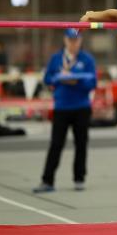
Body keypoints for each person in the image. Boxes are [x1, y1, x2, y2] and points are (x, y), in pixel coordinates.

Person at [33, 29, 97, 193]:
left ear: (80, 41)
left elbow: (92, 83)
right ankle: (47, 180)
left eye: (76, 40)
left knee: (81, 144)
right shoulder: (56, 58)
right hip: (61, 107)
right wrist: (59, 78)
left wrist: (75, 81)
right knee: (56, 144)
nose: (73, 43)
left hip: (81, 108)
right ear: (65, 40)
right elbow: (47, 78)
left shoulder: (87, 59)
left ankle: (79, 178)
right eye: (70, 40)